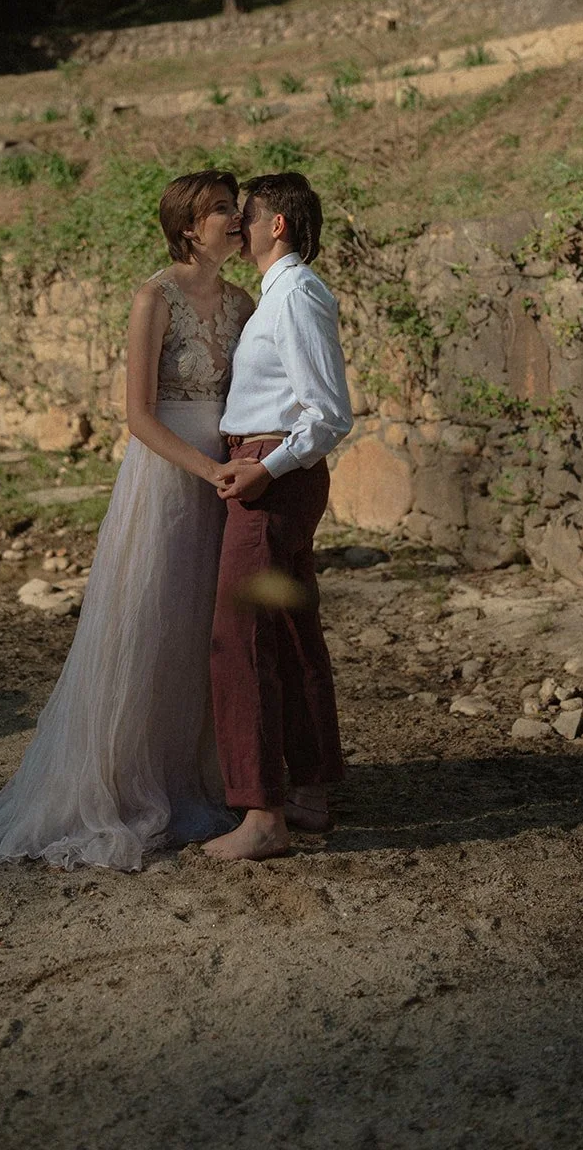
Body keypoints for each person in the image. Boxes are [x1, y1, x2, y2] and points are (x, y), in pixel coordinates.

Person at [0, 170, 254, 870]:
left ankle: (207, 777)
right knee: (148, 621)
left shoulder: (245, 302)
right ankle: (126, 784)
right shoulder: (154, 298)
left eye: (236, 209)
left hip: (229, 476)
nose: (236, 219)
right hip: (166, 479)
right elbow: (138, 416)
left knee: (205, 629)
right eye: (221, 210)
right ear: (189, 226)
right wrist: (204, 467)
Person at [201, 172, 353, 863]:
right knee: (290, 632)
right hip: (274, 474)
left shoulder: (295, 297)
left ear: (278, 225)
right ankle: (313, 789)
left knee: (241, 641)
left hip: (273, 479)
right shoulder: (283, 296)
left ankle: (261, 814)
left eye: (249, 215)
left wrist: (265, 469)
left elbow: (329, 415)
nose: (241, 225)